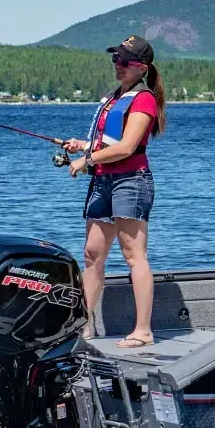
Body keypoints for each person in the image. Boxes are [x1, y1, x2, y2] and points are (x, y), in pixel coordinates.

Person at [62, 36, 167, 347]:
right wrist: (84, 145)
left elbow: (127, 147)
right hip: (103, 182)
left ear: (142, 67)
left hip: (130, 182)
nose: (118, 66)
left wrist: (86, 159)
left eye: (124, 62)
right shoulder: (115, 97)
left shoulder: (143, 99)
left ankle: (143, 331)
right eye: (115, 60)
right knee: (92, 254)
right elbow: (109, 141)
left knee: (134, 256)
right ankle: (83, 325)